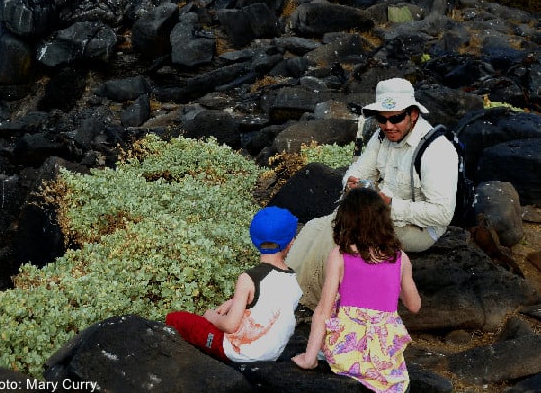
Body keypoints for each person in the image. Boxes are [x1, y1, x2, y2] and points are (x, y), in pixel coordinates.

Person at [286, 77, 458, 310]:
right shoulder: (381, 137)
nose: (388, 126)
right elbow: (355, 172)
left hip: (419, 228)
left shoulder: (437, 151)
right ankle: (286, 287)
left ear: (413, 114)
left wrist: (389, 205)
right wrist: (351, 184)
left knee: (338, 234)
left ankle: (319, 304)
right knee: (314, 226)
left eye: (396, 118)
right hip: (379, 213)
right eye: (381, 119)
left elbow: (442, 214)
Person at [292, 188, 421, 393]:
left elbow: (323, 311)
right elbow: (414, 306)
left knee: (332, 303)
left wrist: (309, 358)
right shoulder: (401, 259)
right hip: (384, 356)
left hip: (346, 352)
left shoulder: (340, 255)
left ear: (346, 220)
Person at [165, 206, 303, 362]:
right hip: (272, 352)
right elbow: (270, 301)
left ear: (254, 239)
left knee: (176, 318)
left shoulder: (248, 278)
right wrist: (236, 301)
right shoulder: (293, 279)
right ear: (291, 241)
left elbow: (230, 326)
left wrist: (210, 316)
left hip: (239, 352)